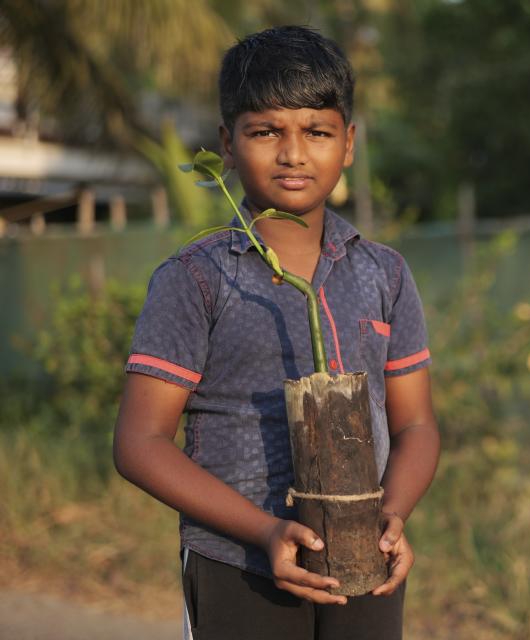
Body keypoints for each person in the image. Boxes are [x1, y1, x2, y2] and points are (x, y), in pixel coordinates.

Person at [113, 26, 440, 640]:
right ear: (227, 145)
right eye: (266, 131)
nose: (293, 154)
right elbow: (139, 442)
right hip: (239, 563)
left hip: (365, 564)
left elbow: (417, 425)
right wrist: (264, 531)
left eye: (316, 132)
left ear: (348, 143)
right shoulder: (198, 277)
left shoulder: (384, 273)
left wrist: (390, 516)